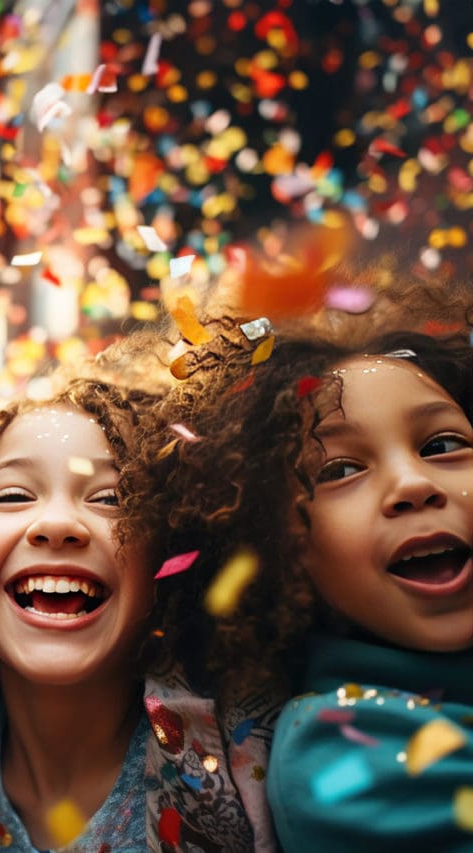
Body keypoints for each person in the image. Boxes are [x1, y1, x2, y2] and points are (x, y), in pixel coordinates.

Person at [132, 302, 473, 850]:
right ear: (283, 548)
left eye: (444, 445)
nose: (413, 483)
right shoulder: (338, 750)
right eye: (340, 470)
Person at [0, 374, 276, 852]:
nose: (57, 524)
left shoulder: (255, 751)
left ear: (167, 557)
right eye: (13, 495)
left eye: (111, 498)